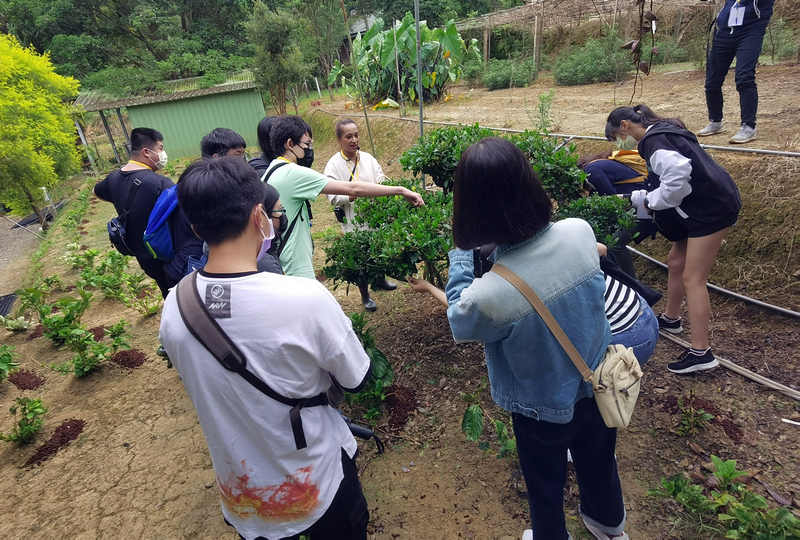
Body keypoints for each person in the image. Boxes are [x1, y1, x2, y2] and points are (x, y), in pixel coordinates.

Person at [159, 157, 372, 540]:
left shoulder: (176, 306)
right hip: (317, 480)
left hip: (244, 492)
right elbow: (358, 379)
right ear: (260, 216)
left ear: (194, 226)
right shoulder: (303, 298)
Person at [432, 137, 629, 540]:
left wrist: (458, 254)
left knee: (544, 482)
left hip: (541, 408)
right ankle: (609, 526)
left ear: (470, 206)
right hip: (598, 383)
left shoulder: (490, 295)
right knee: (599, 462)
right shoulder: (578, 232)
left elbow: (458, 318)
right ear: (529, 183)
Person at [605, 104, 742, 374]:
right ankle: (671, 318)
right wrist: (632, 200)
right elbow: (670, 181)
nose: (621, 144)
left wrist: (650, 203)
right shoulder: (664, 132)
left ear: (624, 126)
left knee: (694, 278)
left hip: (711, 209)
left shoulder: (654, 141)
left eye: (617, 138)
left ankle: (701, 353)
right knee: (676, 261)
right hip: (701, 205)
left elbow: (676, 183)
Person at [264, 115, 424, 280]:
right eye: (306, 144)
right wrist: (401, 190)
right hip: (294, 261)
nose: (309, 149)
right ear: (290, 144)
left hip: (279, 255)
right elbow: (353, 189)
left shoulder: (272, 170)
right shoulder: (293, 173)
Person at [324, 118, 397, 311]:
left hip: (375, 216)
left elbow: (380, 177)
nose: (354, 140)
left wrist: (383, 185)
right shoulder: (333, 165)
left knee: (378, 248)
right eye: (348, 136)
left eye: (356, 135)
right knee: (361, 256)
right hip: (353, 220)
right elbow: (331, 196)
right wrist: (351, 196)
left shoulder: (368, 159)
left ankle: (381, 279)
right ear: (339, 139)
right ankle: (365, 296)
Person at [93, 127, 174, 296]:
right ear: (146, 152)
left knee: (168, 294)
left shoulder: (113, 178)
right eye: (160, 148)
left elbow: (95, 192)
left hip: (145, 257)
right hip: (169, 254)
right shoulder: (159, 183)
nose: (163, 153)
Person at [697, 0, 775, 144]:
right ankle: (716, 122)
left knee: (744, 78)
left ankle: (748, 127)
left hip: (750, 32)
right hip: (724, 33)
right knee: (712, 81)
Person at [578, 148, 657, 279]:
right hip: (642, 201)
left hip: (645, 204)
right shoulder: (598, 165)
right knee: (606, 239)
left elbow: (613, 199)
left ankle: (631, 283)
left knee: (616, 242)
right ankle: (618, 277)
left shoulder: (592, 172)